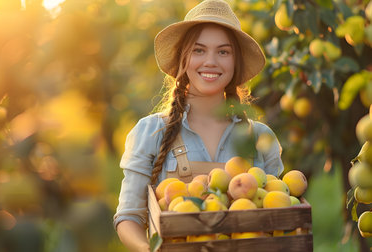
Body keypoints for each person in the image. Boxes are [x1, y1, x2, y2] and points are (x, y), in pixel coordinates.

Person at [114, 0, 284, 251]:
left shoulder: (259, 137)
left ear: (235, 61)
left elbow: (279, 213)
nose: (211, 61)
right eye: (199, 50)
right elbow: (129, 216)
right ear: (183, 58)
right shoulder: (150, 133)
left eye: (223, 52)